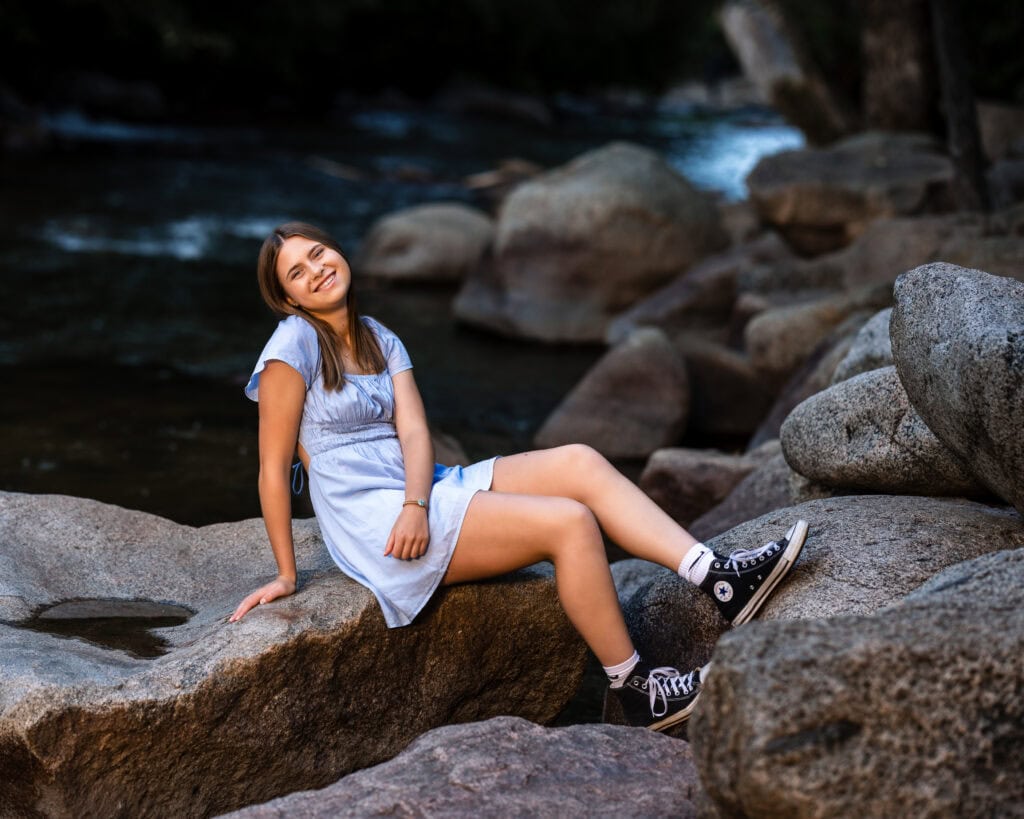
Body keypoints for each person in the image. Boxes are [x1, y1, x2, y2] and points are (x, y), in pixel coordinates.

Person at [229, 221, 808, 731]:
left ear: (336, 250)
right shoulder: (293, 345)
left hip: (422, 489)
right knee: (570, 524)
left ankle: (718, 580)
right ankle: (636, 692)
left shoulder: (380, 336)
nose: (316, 271)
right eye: (297, 273)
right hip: (373, 519)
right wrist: (287, 572)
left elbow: (412, 432)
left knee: (578, 459)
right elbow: (272, 469)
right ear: (290, 301)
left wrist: (417, 500)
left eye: (317, 254)